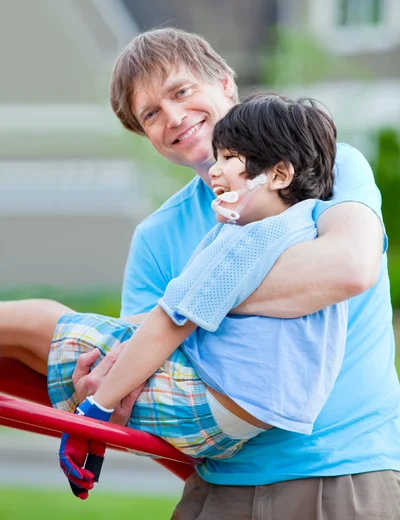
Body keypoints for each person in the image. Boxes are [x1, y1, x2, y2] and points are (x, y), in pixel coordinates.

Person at [2, 28, 399, 519]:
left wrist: (196, 303)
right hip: (219, 482)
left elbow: (349, 268)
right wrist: (106, 394)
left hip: (342, 474)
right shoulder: (158, 234)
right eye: (150, 113)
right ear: (145, 134)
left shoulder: (323, 167)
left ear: (226, 84)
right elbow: (147, 366)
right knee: (33, 342)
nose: (173, 117)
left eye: (182, 90)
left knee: (36, 325)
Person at [52, 94, 347, 490]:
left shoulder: (247, 238)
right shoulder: (307, 227)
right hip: (266, 414)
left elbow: (170, 321)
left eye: (229, 158)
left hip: (214, 407)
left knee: (50, 328)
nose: (215, 171)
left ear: (277, 175)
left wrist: (94, 411)